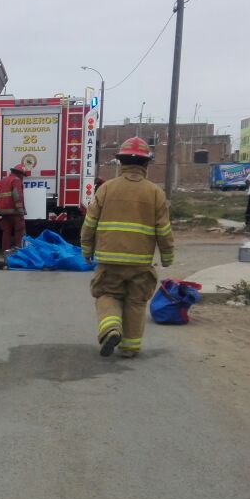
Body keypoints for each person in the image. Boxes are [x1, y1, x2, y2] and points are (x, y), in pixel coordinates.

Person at [80, 137, 174, 359]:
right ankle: (130, 347)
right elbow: (164, 229)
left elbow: (89, 224)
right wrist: (167, 256)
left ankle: (111, 329)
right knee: (136, 301)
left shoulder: (106, 189)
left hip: (109, 259)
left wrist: (86, 250)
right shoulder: (155, 193)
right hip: (140, 262)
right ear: (146, 165)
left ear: (120, 162)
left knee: (106, 293)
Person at [0, 163, 29, 255]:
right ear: (19, 173)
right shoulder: (16, 180)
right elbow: (17, 196)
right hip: (14, 211)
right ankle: (19, 253)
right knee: (19, 231)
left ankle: (5, 252)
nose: (23, 177)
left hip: (3, 212)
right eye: (23, 175)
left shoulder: (3, 180)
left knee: (6, 232)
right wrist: (20, 210)